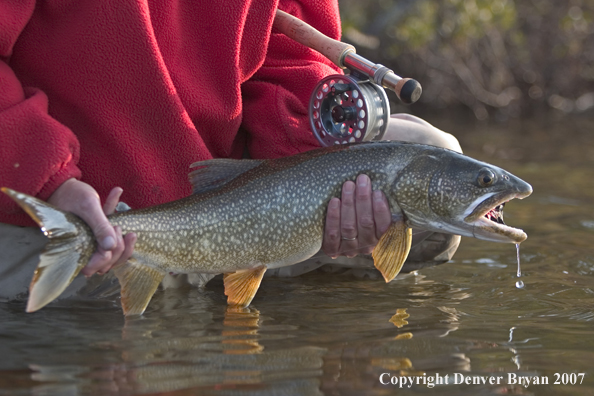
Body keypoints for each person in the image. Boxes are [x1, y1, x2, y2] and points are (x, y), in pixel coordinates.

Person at [0, 0, 461, 301]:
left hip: (225, 200)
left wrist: (324, 190)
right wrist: (50, 177)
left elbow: (288, 61)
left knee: (434, 158)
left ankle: (237, 289)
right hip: (59, 199)